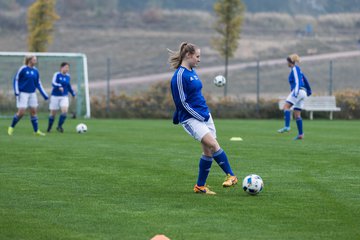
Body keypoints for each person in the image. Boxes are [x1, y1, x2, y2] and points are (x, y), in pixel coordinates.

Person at [169, 42, 238, 195]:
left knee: (208, 152)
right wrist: (186, 116)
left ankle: (200, 186)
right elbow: (181, 102)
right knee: (214, 145)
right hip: (191, 119)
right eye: (197, 56)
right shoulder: (179, 76)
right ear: (188, 55)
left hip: (204, 114)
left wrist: (204, 114)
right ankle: (231, 175)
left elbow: (193, 96)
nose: (199, 60)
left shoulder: (192, 71)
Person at [8, 55, 48, 136]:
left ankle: (36, 131)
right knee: (21, 113)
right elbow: (16, 80)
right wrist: (16, 92)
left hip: (32, 93)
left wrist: (44, 94)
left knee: (33, 112)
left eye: (36, 59)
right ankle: (11, 127)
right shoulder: (23, 69)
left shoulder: (36, 71)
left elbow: (38, 83)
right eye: (34, 59)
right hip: (23, 93)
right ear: (29, 60)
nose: (35, 61)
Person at [278, 54, 309, 140]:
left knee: (286, 107)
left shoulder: (295, 69)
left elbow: (298, 81)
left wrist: (295, 93)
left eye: (287, 62)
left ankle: (287, 126)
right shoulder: (299, 70)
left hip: (298, 91)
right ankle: (301, 134)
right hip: (303, 92)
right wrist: (309, 91)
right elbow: (305, 80)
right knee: (297, 114)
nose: (286, 64)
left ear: (289, 62)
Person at [47, 62, 76, 133]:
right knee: (53, 114)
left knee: (64, 111)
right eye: (66, 67)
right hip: (55, 96)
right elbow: (53, 83)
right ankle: (49, 127)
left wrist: (73, 93)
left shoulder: (68, 76)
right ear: (61, 68)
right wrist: (59, 86)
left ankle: (59, 126)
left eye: (68, 68)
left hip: (64, 96)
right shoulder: (57, 74)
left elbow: (68, 86)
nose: (67, 69)